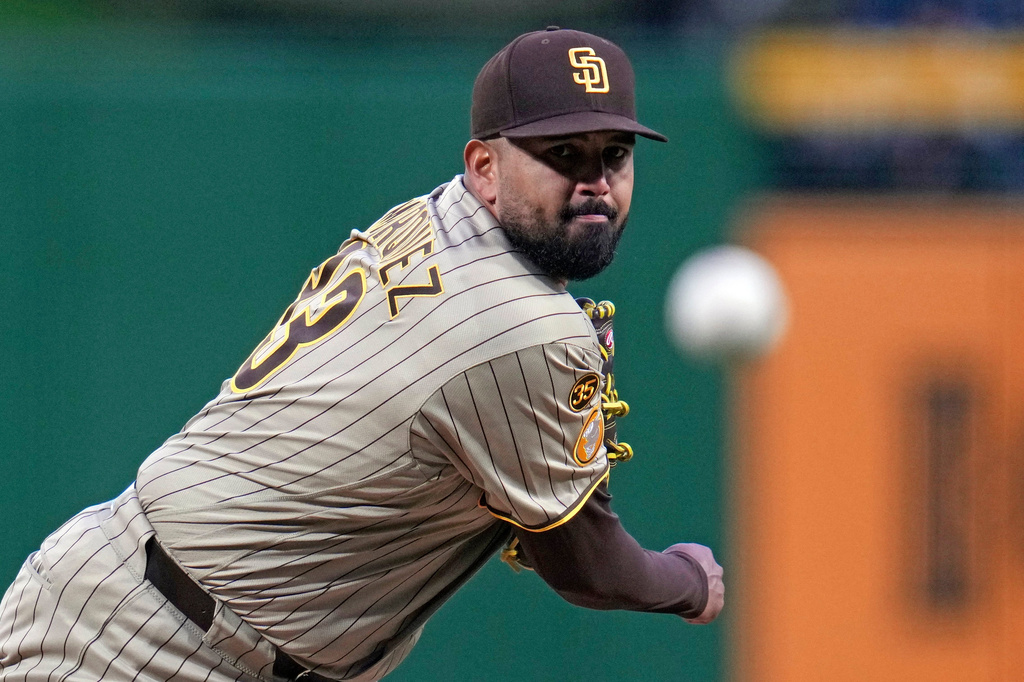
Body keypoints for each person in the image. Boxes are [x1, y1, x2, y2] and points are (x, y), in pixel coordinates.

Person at [0, 27, 724, 682]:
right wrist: (688, 579)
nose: (595, 181)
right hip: (143, 646)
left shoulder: (437, 215)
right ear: (484, 167)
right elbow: (589, 568)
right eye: (562, 154)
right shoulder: (525, 327)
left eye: (614, 154)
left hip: (146, 598)